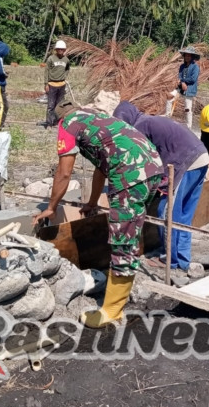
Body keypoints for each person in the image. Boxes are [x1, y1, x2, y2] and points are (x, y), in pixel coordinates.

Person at [32, 101, 163, 328]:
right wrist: (92, 202)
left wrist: (52, 207)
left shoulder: (68, 125)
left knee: (122, 240)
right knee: (130, 234)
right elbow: (102, 168)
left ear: (57, 120)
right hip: (153, 167)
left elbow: (64, 173)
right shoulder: (95, 119)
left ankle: (111, 311)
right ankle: (119, 298)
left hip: (130, 175)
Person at [113, 100, 209, 271]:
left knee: (166, 211)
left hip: (186, 163)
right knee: (183, 215)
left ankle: (170, 260)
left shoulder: (140, 128)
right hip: (201, 158)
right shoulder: (149, 120)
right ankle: (182, 260)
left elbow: (141, 162)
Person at [165, 45, 201, 129]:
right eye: (186, 55)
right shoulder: (182, 66)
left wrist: (183, 82)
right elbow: (179, 77)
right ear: (184, 56)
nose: (187, 57)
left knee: (187, 109)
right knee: (170, 97)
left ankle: (189, 127)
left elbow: (193, 79)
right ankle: (167, 117)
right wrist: (182, 82)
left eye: (189, 55)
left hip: (190, 89)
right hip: (181, 88)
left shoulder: (195, 67)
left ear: (192, 57)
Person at [42, 40, 71, 128]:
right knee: (51, 105)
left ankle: (58, 122)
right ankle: (49, 122)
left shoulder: (66, 60)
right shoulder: (51, 59)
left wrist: (64, 76)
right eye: (59, 49)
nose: (60, 51)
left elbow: (68, 69)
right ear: (56, 49)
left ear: (64, 50)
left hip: (61, 85)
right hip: (52, 84)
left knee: (60, 105)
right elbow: (46, 71)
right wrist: (46, 84)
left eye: (62, 49)